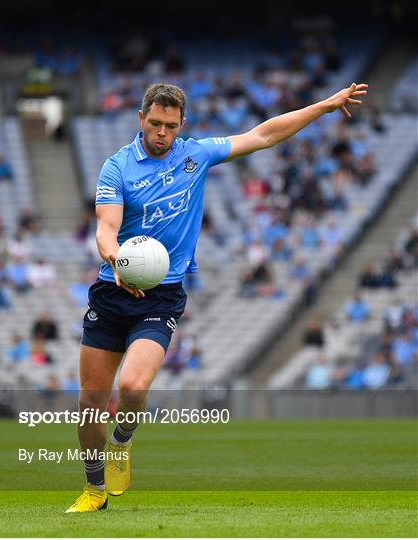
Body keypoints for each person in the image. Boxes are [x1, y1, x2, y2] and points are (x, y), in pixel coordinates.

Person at [66, 81, 368, 512]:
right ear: (141, 119)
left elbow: (264, 135)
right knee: (89, 402)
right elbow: (105, 228)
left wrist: (324, 106)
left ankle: (122, 442)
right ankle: (94, 490)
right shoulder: (116, 168)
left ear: (181, 124)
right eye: (154, 124)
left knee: (132, 387)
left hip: (162, 295)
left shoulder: (196, 154)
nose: (161, 133)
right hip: (112, 290)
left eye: (170, 126)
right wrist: (115, 259)